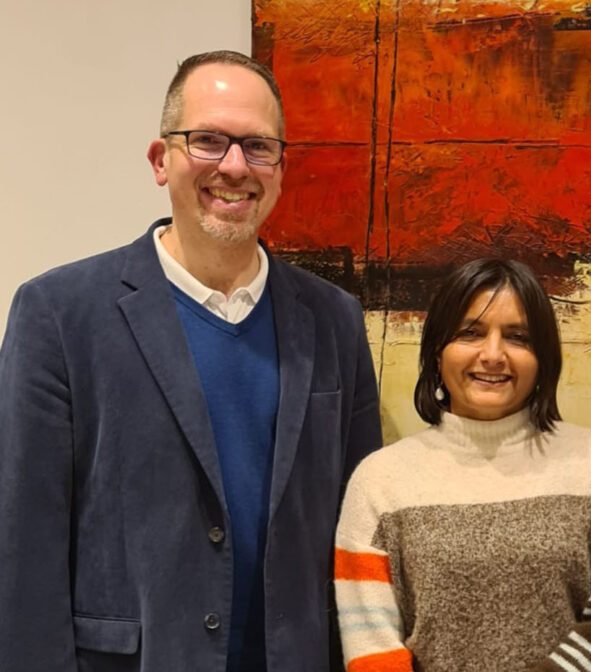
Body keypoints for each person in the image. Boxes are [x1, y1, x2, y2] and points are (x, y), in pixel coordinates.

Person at [0, 50, 382, 672]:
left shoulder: (334, 320)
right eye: (208, 140)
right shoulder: (59, 315)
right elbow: (23, 549)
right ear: (161, 160)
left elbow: (364, 528)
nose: (235, 166)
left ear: (281, 168)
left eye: (258, 147)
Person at [333, 258, 591, 672]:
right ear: (436, 351)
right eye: (471, 333)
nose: (494, 354)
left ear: (543, 357)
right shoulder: (379, 481)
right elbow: (370, 644)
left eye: (518, 337)